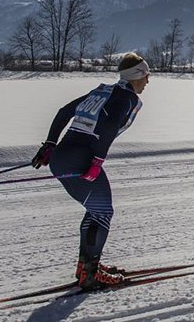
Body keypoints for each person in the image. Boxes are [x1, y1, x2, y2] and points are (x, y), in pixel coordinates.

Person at [31, 52, 149, 289]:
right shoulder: (127, 98)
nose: (148, 81)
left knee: (96, 210)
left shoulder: (102, 91)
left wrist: (50, 145)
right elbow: (108, 126)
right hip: (81, 159)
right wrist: (97, 161)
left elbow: (65, 111)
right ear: (136, 76)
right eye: (146, 75)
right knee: (102, 211)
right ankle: (91, 274)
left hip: (62, 156)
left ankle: (86, 266)